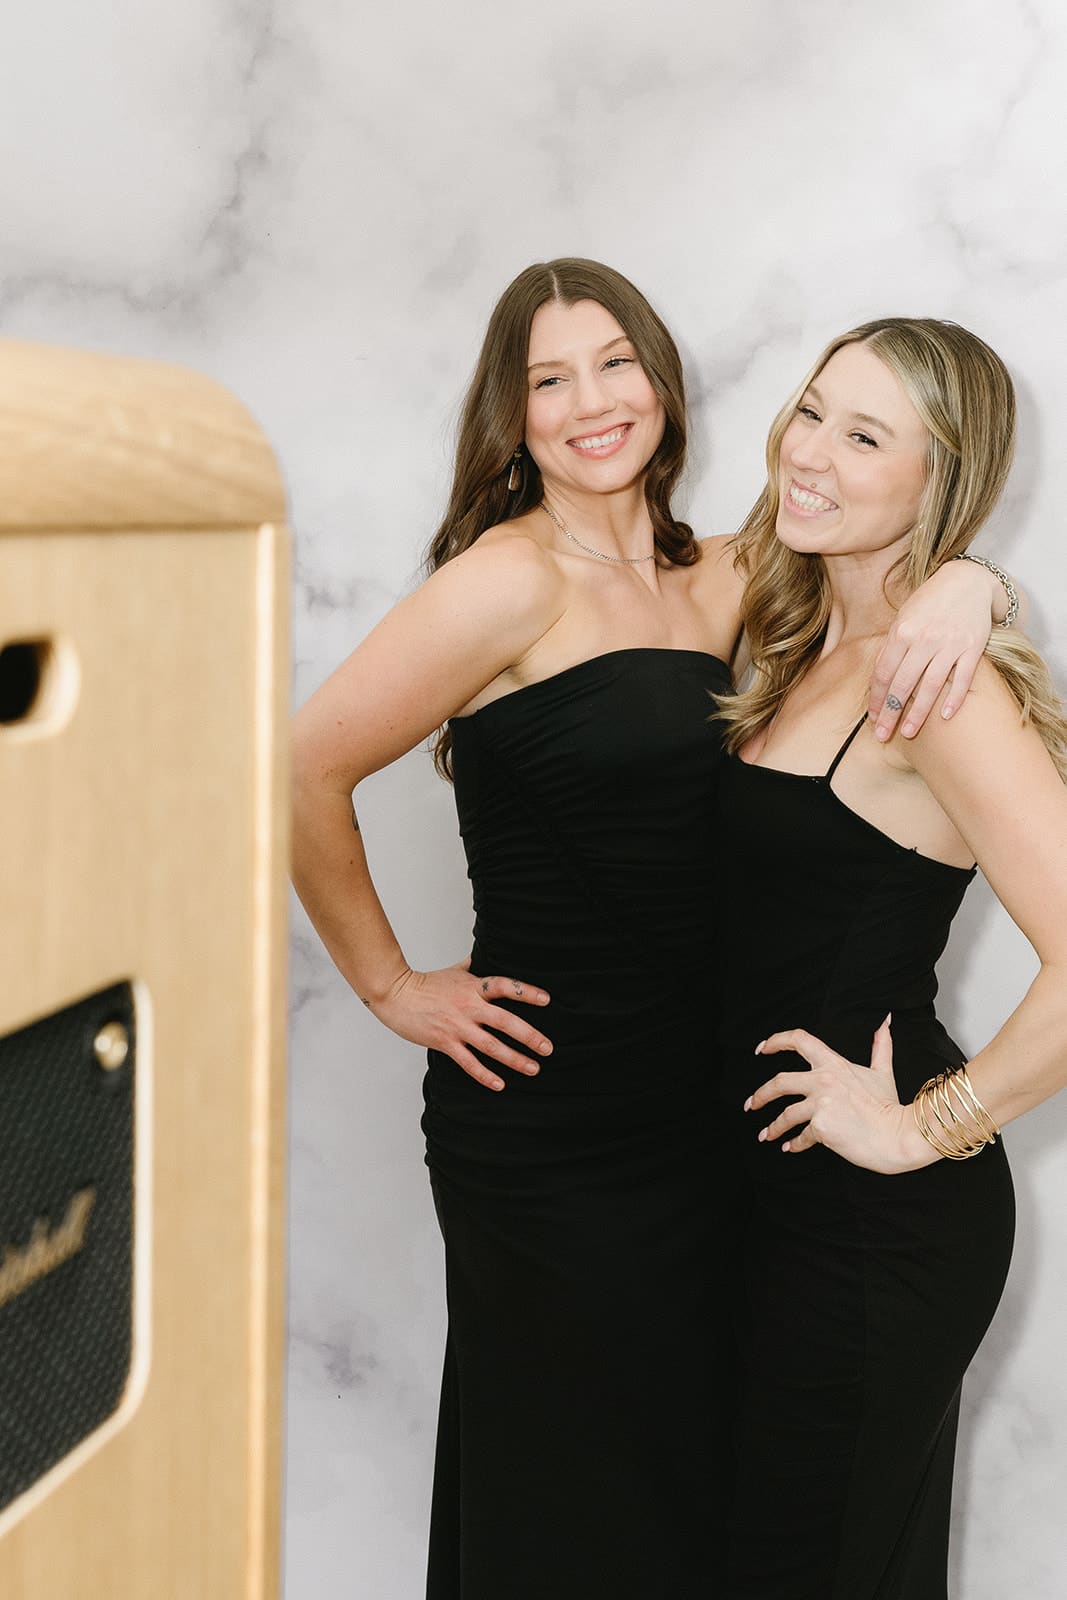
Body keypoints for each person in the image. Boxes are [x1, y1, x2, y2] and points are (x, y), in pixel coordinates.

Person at [290, 265, 1014, 1599]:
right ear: (509, 418)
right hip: (549, 1130)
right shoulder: (501, 584)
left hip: (702, 1126)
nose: (587, 404)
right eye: (546, 379)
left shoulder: (728, 572)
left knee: (688, 1509)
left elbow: (883, 547)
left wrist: (970, 579)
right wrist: (391, 985)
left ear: (663, 385)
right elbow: (301, 765)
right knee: (560, 1500)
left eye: (613, 363)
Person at [714, 317, 1067, 1599]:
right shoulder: (800, 621)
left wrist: (929, 1129)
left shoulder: (945, 685)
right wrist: (980, 576)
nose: (806, 452)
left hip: (864, 1226)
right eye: (808, 410)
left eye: (863, 435)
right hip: (757, 1199)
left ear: (941, 478)